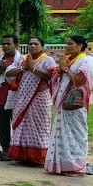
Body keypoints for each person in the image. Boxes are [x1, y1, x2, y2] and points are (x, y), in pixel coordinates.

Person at [45, 35, 93, 175]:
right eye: (66, 44)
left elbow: (80, 81)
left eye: (70, 44)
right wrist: (60, 70)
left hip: (75, 104)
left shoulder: (85, 61)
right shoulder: (68, 60)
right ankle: (61, 165)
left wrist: (65, 69)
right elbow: (58, 77)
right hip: (63, 104)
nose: (66, 46)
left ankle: (75, 166)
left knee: (76, 134)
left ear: (80, 46)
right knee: (61, 133)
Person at [5, 37, 56, 166]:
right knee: (22, 127)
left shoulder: (47, 60)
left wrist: (33, 68)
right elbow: (9, 72)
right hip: (21, 98)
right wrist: (24, 68)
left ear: (42, 46)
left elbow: (50, 75)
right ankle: (22, 156)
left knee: (40, 127)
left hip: (39, 99)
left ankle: (38, 158)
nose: (32, 46)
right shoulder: (23, 59)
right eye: (30, 43)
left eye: (36, 44)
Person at [0, 35, 23, 160]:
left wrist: (6, 69)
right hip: (0, 95)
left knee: (16, 124)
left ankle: (16, 150)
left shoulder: (21, 61)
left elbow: (22, 77)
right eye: (4, 44)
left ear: (16, 45)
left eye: (9, 44)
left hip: (16, 96)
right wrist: (0, 69)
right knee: (2, 124)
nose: (5, 46)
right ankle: (5, 149)